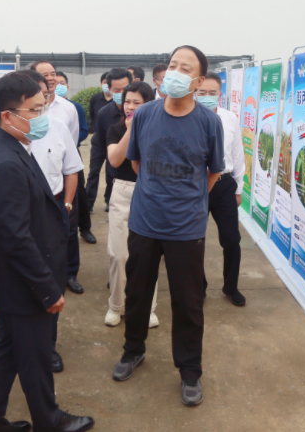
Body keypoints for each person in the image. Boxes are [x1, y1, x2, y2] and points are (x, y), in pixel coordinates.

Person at [0, 71, 94, 432]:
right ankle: (49, 421)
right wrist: (47, 289)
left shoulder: (11, 147)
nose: (43, 117)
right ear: (7, 116)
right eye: (35, 110)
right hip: (23, 284)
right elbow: (16, 238)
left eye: (44, 108)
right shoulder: (5, 162)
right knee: (35, 355)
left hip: (15, 281)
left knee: (6, 349)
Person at [111, 45, 224, 408]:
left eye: (185, 68)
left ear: (198, 80)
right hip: (145, 222)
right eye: (173, 64)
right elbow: (136, 163)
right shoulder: (145, 114)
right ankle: (133, 350)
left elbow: (214, 172)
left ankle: (190, 370)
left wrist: (190, 200)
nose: (175, 71)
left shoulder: (209, 122)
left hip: (186, 228)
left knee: (188, 302)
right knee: (137, 293)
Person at [24, 70, 84, 372]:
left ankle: (49, 345)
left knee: (52, 279)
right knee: (24, 277)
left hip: (55, 208)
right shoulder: (9, 132)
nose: (43, 102)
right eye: (35, 98)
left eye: (45, 96)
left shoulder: (58, 126)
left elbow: (71, 169)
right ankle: (23, 341)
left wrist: (67, 205)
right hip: (22, 214)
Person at [104, 80, 159, 328]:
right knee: (118, 255)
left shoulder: (158, 129)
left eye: (137, 102)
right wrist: (130, 130)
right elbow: (115, 160)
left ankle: (147, 308)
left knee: (147, 256)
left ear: (149, 104)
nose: (130, 106)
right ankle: (116, 305)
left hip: (150, 194)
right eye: (127, 101)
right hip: (122, 192)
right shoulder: (115, 129)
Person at [196, 72, 246, 306]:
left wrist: (238, 188)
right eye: (202, 92)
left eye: (212, 93)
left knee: (231, 239)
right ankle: (199, 286)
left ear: (220, 95)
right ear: (195, 92)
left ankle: (231, 286)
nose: (207, 96)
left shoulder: (230, 118)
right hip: (196, 185)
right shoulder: (187, 117)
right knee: (195, 240)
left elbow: (237, 154)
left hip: (224, 185)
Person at [56, 72, 96, 246]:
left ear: (67, 86)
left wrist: (68, 144)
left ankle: (85, 228)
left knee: (79, 192)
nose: (58, 86)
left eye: (62, 83)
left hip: (72, 153)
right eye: (56, 82)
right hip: (52, 156)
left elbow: (83, 130)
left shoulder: (74, 107)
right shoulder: (41, 106)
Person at [85, 69, 131, 213]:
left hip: (124, 149)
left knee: (113, 175)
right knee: (94, 173)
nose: (122, 93)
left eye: (125, 89)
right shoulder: (104, 113)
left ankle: (110, 201)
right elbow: (99, 135)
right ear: (109, 89)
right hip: (101, 145)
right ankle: (88, 203)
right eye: (117, 90)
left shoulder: (139, 110)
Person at [31, 61, 79, 143]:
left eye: (53, 74)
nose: (50, 78)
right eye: (45, 75)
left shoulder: (69, 107)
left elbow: (72, 139)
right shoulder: (26, 107)